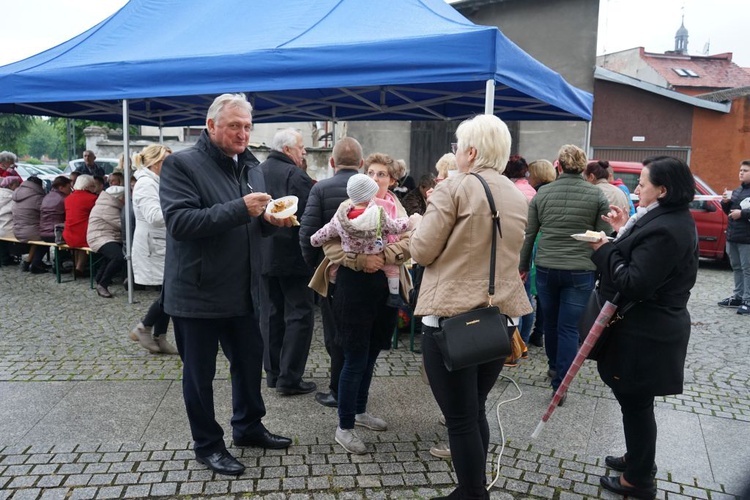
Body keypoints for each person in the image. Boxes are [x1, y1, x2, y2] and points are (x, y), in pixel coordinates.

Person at [159, 93, 293, 477]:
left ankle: (248, 427)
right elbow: (181, 223)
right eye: (234, 125)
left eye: (248, 126)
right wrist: (242, 209)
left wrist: (270, 221)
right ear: (211, 125)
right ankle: (208, 445)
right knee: (199, 377)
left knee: (249, 365)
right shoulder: (181, 164)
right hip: (197, 293)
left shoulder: (252, 167)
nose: (243, 133)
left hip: (246, 290)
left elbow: (252, 222)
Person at [410, 114, 531, 500]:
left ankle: (472, 492)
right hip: (501, 317)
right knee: (474, 408)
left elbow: (422, 251)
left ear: (471, 150)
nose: (455, 152)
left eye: (457, 146)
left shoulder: (454, 187)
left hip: (452, 317)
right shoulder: (516, 193)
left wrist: (417, 226)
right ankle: (474, 487)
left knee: (460, 417)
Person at [590, 156, 698, 500]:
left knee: (635, 403)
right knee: (634, 402)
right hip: (642, 328)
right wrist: (622, 227)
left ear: (662, 190)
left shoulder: (668, 227)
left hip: (645, 332)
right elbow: (637, 253)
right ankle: (638, 459)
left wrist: (604, 250)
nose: (636, 189)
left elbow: (634, 281)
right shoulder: (661, 217)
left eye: (643, 184)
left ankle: (638, 480)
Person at [309, 152, 413, 455]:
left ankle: (359, 410)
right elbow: (326, 242)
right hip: (354, 288)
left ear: (392, 180)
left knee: (370, 354)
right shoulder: (346, 208)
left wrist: (386, 256)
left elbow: (410, 239)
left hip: (386, 289)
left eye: (382, 174)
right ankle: (344, 426)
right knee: (354, 357)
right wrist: (358, 258)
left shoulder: (394, 208)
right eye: (371, 172)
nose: (375, 178)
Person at [519, 144, 610, 404]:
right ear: (583, 167)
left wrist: (523, 265)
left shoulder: (542, 193)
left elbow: (530, 234)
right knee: (569, 327)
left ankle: (552, 366)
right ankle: (561, 384)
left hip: (547, 267)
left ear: (558, 165)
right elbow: (601, 236)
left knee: (550, 322)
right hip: (581, 269)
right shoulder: (596, 196)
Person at [299, 137, 364, 409]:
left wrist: (315, 267)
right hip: (370, 274)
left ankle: (338, 391)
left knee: (335, 335)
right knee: (361, 334)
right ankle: (358, 390)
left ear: (332, 162)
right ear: (361, 163)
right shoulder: (370, 190)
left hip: (335, 275)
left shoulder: (322, 189)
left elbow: (307, 233)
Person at [258, 128, 317, 395]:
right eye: (301, 147)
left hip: (262, 253)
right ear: (287, 150)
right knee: (300, 314)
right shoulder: (296, 175)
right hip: (293, 255)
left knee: (271, 313)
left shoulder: (256, 171)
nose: (303, 152)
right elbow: (309, 216)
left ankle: (272, 373)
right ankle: (290, 377)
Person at [311, 173, 418, 308]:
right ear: (370, 195)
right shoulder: (378, 213)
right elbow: (395, 226)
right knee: (392, 270)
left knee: (333, 268)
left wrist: (314, 240)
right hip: (378, 254)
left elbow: (326, 232)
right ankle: (394, 296)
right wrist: (410, 222)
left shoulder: (341, 216)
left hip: (351, 259)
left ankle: (331, 288)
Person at [128, 144, 178, 354]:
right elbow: (155, 216)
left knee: (168, 290)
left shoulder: (156, 182)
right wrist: (181, 212)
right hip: (152, 245)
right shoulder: (146, 184)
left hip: (161, 242)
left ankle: (159, 336)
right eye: (167, 161)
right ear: (156, 163)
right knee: (170, 292)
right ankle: (144, 327)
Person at [526, 159, 557, 347]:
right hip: (549, 246)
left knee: (535, 289)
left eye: (531, 174)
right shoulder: (556, 190)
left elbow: (532, 227)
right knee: (543, 295)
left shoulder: (540, 194)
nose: (528, 178)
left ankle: (534, 333)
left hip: (539, 244)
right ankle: (539, 331)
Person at [718, 159, 750, 314]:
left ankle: (748, 300)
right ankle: (738, 296)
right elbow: (729, 213)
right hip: (733, 236)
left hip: (747, 239)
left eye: (745, 170)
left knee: (747, 269)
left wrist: (742, 214)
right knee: (736, 267)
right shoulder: (737, 191)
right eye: (741, 170)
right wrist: (725, 203)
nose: (741, 173)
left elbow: (740, 213)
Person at [87, 185, 126, 298]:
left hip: (106, 236)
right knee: (119, 257)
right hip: (100, 237)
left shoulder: (108, 204)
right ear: (119, 198)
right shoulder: (107, 208)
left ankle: (99, 278)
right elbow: (122, 225)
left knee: (111, 256)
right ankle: (102, 284)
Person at [63, 175, 98, 276]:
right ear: (87, 187)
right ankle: (80, 268)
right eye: (92, 185)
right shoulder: (93, 199)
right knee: (83, 238)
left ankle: (77, 266)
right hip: (83, 234)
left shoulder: (68, 198)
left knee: (77, 241)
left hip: (68, 233)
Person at [12, 176, 48, 274]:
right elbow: (46, 212)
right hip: (31, 231)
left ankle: (28, 262)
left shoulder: (16, 194)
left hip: (17, 230)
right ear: (38, 186)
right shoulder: (38, 197)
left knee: (36, 236)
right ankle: (36, 264)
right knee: (47, 237)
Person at [0, 176, 22, 266]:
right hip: (8, 228)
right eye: (17, 185)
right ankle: (6, 258)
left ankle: (4, 257)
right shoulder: (13, 197)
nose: (19, 187)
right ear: (11, 185)